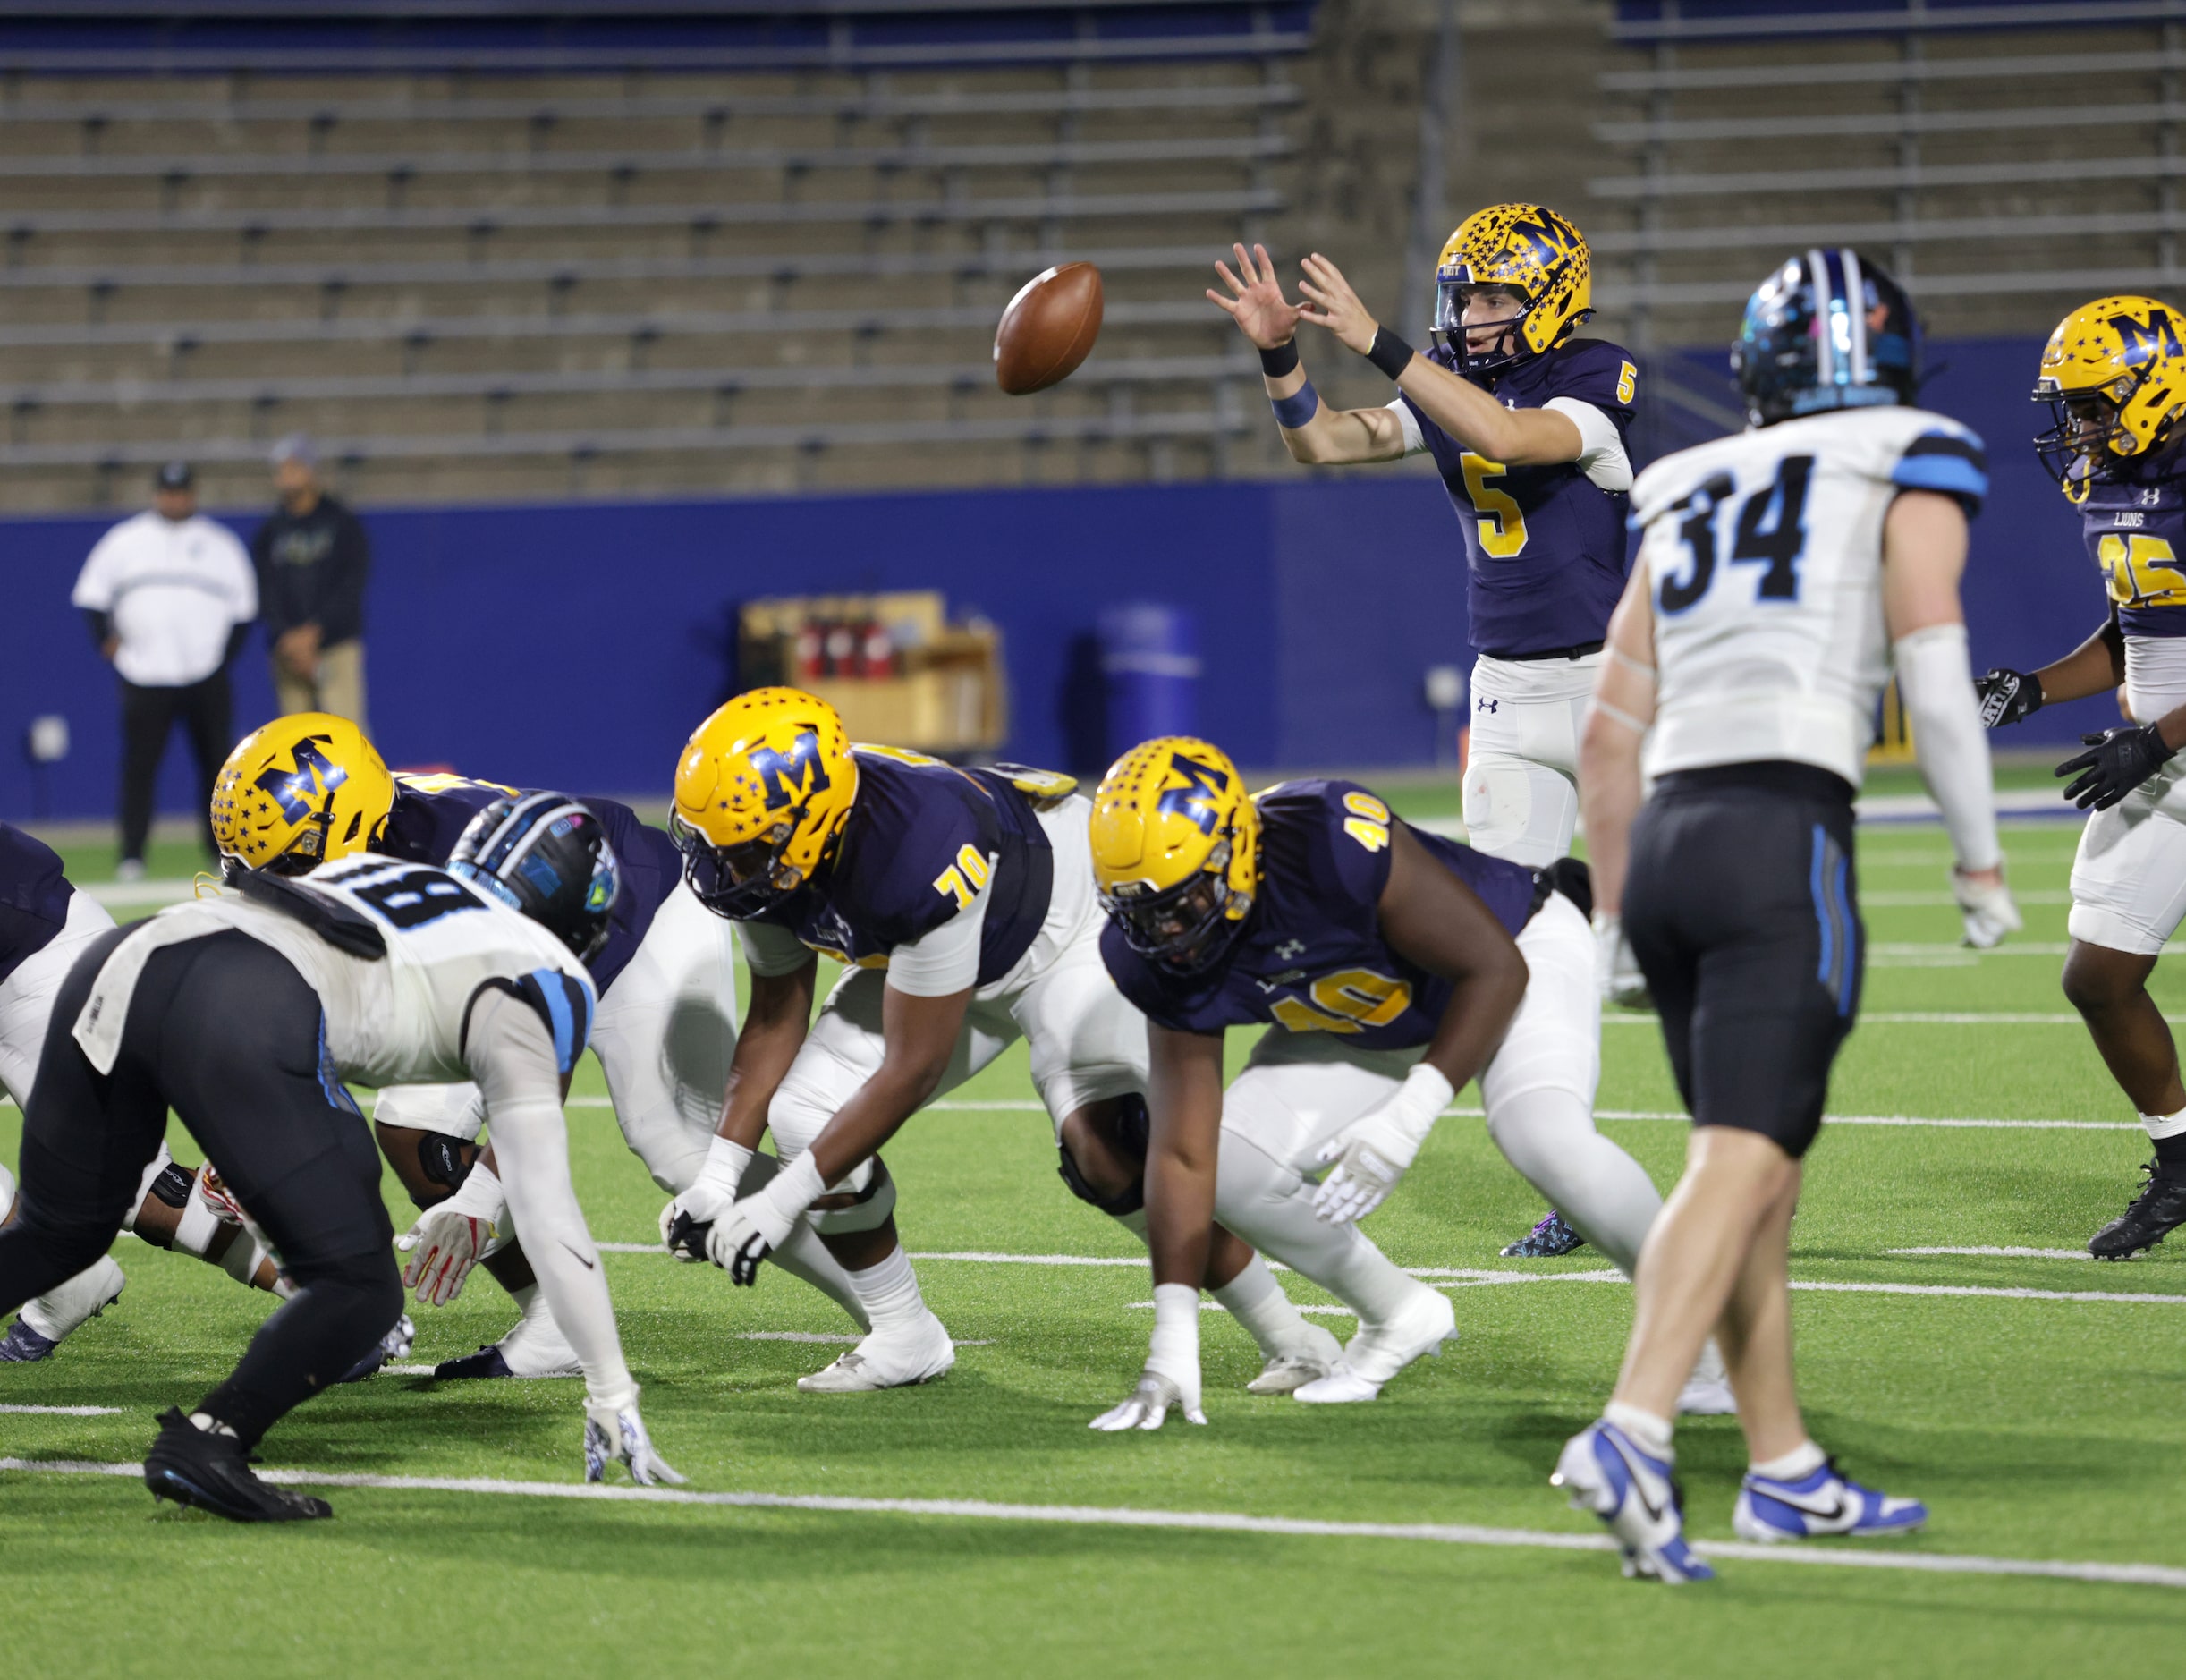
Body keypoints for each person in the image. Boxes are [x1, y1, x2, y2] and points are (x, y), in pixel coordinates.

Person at [1556, 249, 2016, 1582]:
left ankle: (1783, 1470)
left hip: (1675, 835)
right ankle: (1635, 1425)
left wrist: (1615, 922)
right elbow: (1931, 668)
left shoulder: (1690, 476)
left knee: (1757, 1168)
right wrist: (1980, 866)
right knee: (1745, 1160)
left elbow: (1604, 734)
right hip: (1777, 835)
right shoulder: (1908, 447)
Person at [0, 793, 679, 1521]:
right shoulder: (544, 977)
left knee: (60, 1231)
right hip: (242, 1008)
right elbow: (546, 1210)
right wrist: (610, 1386)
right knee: (360, 1284)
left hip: (118, 959)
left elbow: (265, 927)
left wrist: (251, 1126)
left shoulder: (394, 875)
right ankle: (210, 1441)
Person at [658, 689, 1341, 1396]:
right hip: (939, 961)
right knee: (806, 1116)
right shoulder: (775, 858)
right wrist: (718, 1179)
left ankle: (1294, 1336)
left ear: (810, 823)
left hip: (1065, 929)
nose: (720, 869)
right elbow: (775, 1013)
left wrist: (777, 1203)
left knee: (1109, 1151)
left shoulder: (915, 843)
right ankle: (903, 1335)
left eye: (738, 851)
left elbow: (912, 1068)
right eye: (708, 845)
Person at [1208, 205, 1644, 1260]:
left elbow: (1505, 438)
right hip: (1506, 696)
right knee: (1500, 939)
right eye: (1466, 297)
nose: (1474, 316)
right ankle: (1571, 1172)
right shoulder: (1458, 384)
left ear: (1552, 298)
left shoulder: (1599, 376)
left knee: (1656, 941)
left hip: (1617, 694)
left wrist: (1373, 340)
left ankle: (1750, 1147)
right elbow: (1322, 439)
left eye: (1496, 296)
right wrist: (1280, 354)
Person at [1081, 737, 1731, 1427]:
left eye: (1183, 902)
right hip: (1372, 1017)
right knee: (1233, 1163)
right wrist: (1173, 1332)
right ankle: (1397, 1316)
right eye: (1144, 912)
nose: (1168, 932)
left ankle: (1711, 1341)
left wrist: (1411, 1113)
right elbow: (1184, 1152)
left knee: (1543, 1136)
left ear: (1235, 851)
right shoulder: (1148, 952)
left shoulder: (1324, 843)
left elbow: (1495, 970)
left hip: (1513, 950)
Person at [208, 711, 864, 1379]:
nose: (267, 884)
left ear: (349, 830)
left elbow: (538, 1038)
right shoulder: (358, 848)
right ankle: (555, 1322)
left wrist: (481, 1198)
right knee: (417, 1133)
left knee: (681, 1148)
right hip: (511, 965)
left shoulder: (463, 870)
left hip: (631, 912)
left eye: (284, 864)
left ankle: (886, 1313)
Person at [1976, 295, 2186, 1259]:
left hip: (2163, 748)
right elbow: (2132, 632)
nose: (2077, 429)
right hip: (2161, 758)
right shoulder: (2110, 487)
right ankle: (2182, 1163)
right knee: (2097, 975)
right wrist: (2033, 688)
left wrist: (2157, 738)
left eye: (2094, 405)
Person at [0, 819, 290, 1363]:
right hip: (26, 951)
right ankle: (66, 1281)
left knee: (140, 1187)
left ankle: (335, 1300)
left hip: (43, 962)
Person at [71, 462, 257, 878]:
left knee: (217, 769)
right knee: (139, 768)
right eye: (168, 492)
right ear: (157, 493)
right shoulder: (125, 540)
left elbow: (245, 608)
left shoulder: (220, 544)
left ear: (193, 493)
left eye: (182, 492)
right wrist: (106, 639)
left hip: (205, 673)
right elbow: (91, 594)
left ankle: (221, 852)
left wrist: (222, 657)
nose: (175, 499)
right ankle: (132, 855)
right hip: (145, 673)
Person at [250, 436, 371, 728]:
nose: (288, 475)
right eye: (282, 469)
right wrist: (288, 637)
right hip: (287, 650)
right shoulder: (270, 531)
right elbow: (264, 590)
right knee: (294, 740)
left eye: (295, 466)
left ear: (311, 471)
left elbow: (350, 584)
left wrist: (314, 632)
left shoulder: (341, 523)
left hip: (334, 644)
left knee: (347, 735)